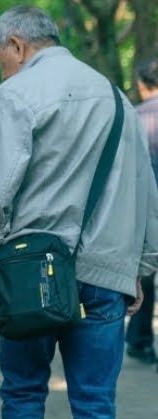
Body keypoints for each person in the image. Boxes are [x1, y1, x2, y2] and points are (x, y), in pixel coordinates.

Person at [0, 6, 158, 419]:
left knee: (24, 393)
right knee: (96, 405)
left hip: (32, 275)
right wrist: (141, 269)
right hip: (105, 272)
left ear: (19, 46)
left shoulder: (19, 94)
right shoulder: (119, 100)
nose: (1, 67)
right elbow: (145, 190)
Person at [126, 56, 158, 364]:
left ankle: (140, 340)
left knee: (143, 276)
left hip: (143, 211)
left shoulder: (133, 118)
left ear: (141, 83)